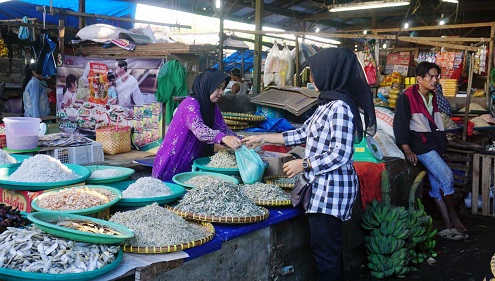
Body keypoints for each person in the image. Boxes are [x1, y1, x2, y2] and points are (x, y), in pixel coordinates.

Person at [243, 47, 376, 280]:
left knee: (326, 255)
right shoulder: (327, 103)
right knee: (328, 252)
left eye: (315, 73)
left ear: (331, 72)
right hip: (322, 189)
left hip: (331, 191)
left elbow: (341, 153)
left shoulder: (341, 108)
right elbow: (301, 134)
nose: (312, 78)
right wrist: (262, 137)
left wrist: (303, 164)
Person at [393, 61, 467, 240]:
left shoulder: (433, 96)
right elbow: (400, 123)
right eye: (431, 76)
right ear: (419, 78)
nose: (435, 80)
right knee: (446, 175)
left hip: (433, 143)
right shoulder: (407, 96)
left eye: (436, 76)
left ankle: (448, 225)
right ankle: (454, 216)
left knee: (436, 185)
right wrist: (406, 148)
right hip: (420, 145)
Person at [152, 68, 242, 181]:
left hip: (194, 163)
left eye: (223, 88)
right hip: (174, 162)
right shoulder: (190, 104)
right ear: (207, 85)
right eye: (218, 87)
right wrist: (223, 138)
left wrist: (242, 140)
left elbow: (223, 129)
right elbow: (200, 130)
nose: (221, 92)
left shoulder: (212, 107)